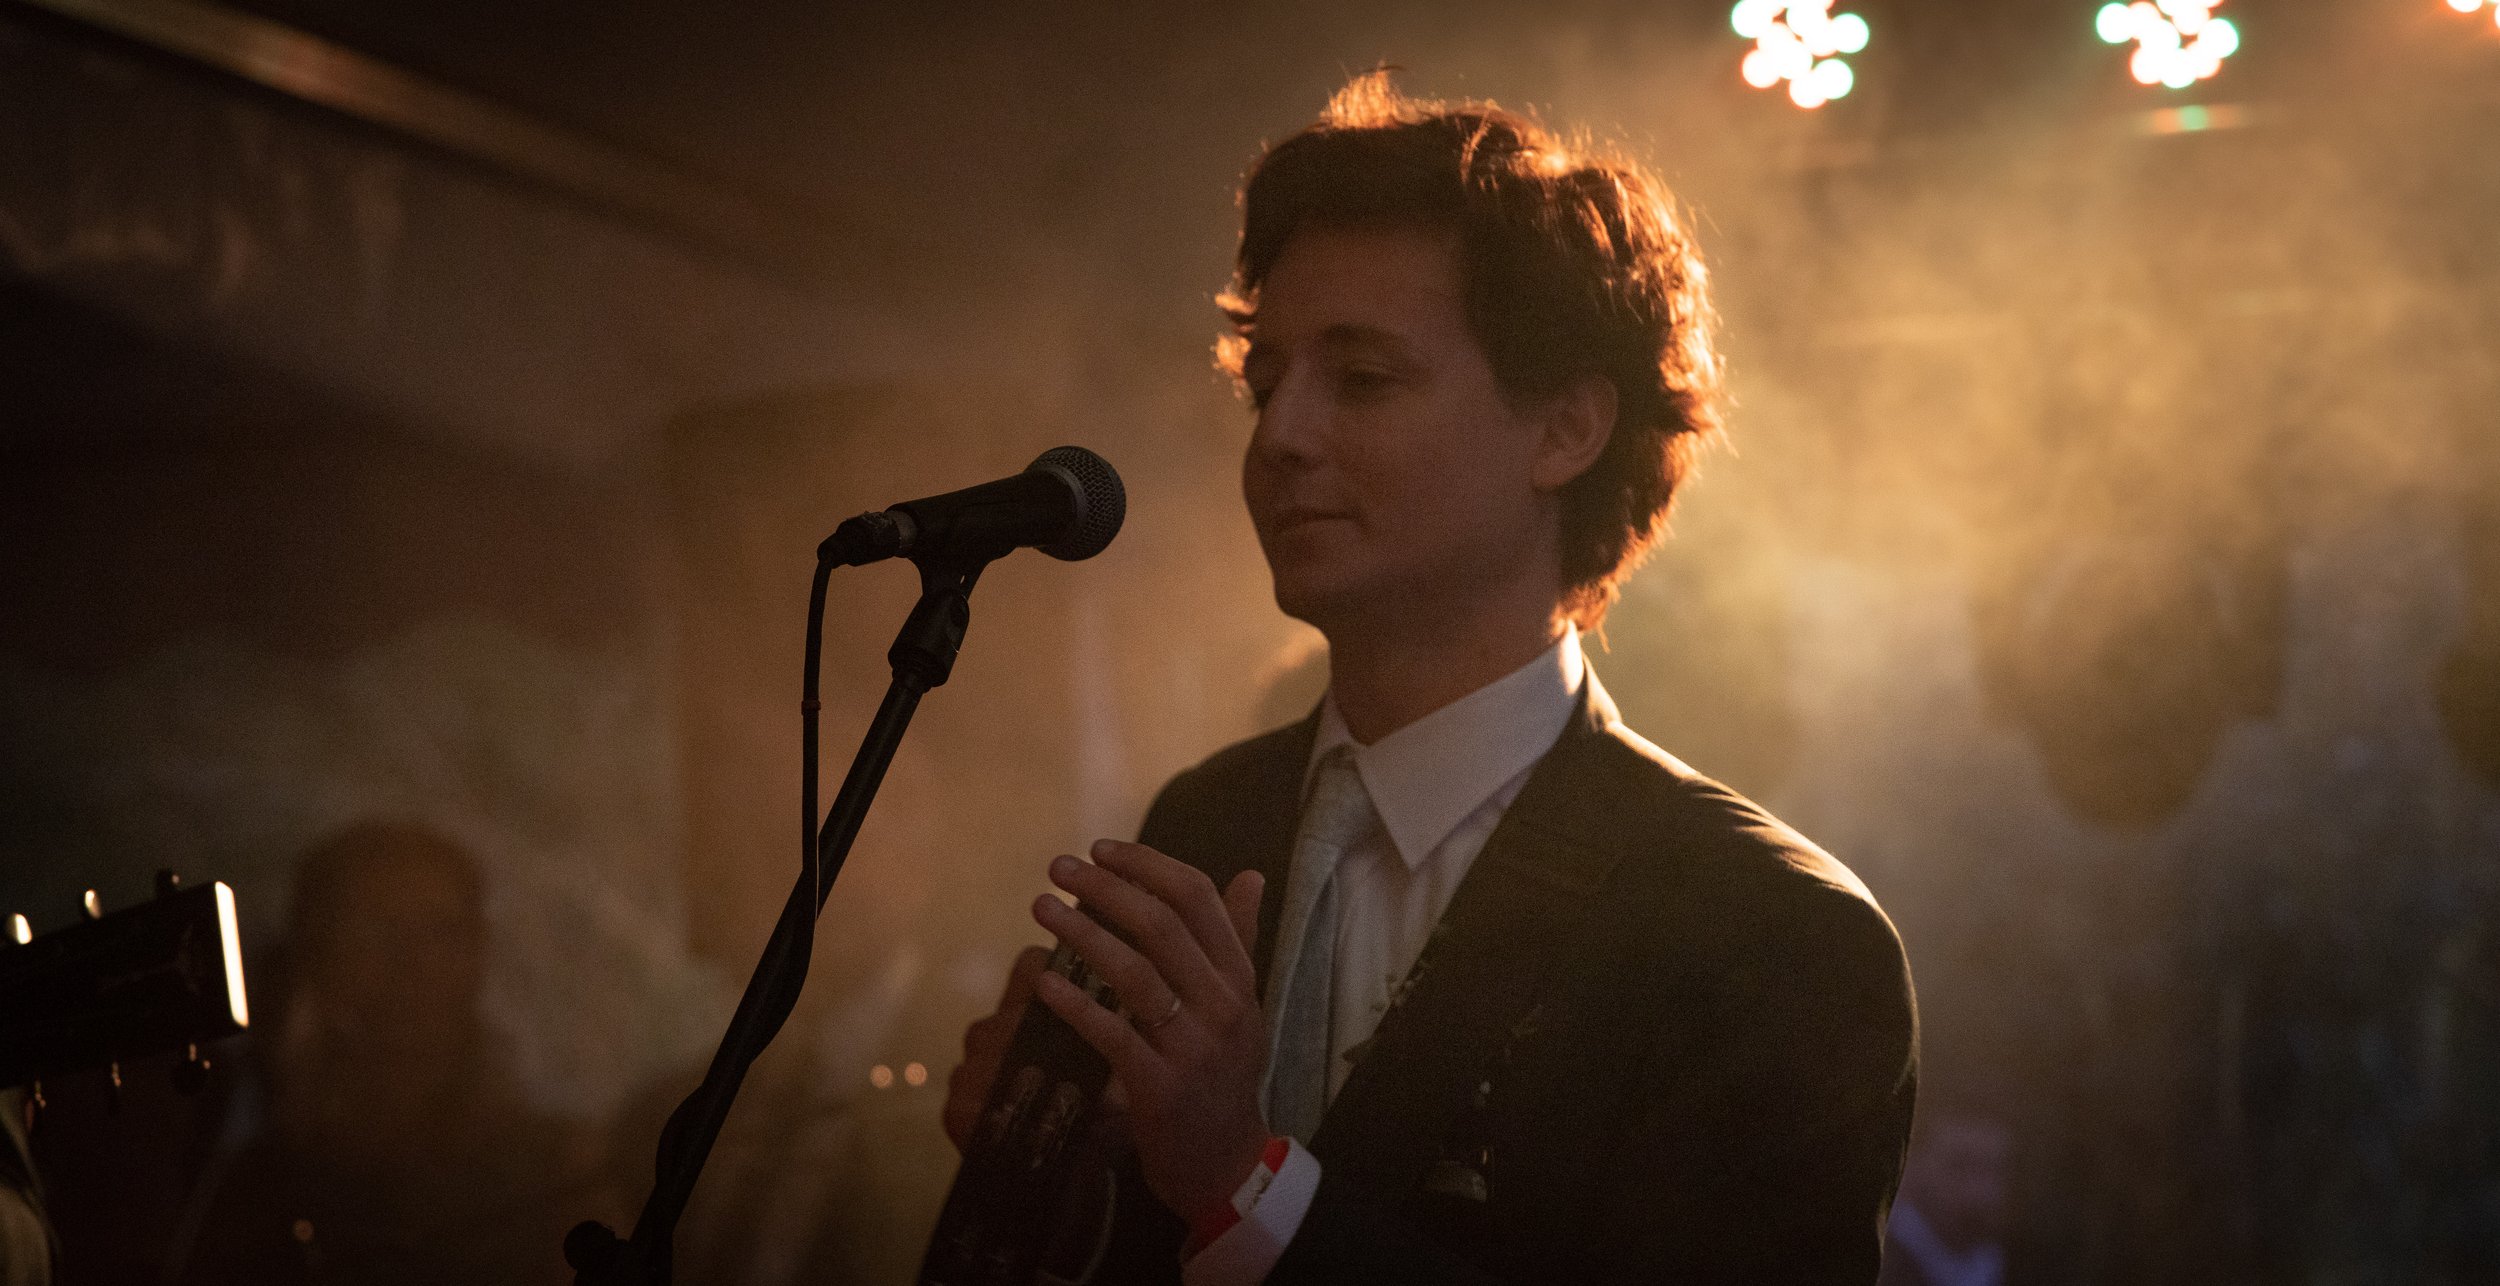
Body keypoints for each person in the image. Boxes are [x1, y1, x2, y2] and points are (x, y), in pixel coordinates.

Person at [945, 72, 1917, 1284]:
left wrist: (1243, 1182)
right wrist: (1051, 1177)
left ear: (1564, 429)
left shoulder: (1768, 935)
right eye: (1265, 379)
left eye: (1361, 379)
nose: (1279, 434)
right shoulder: (1203, 823)